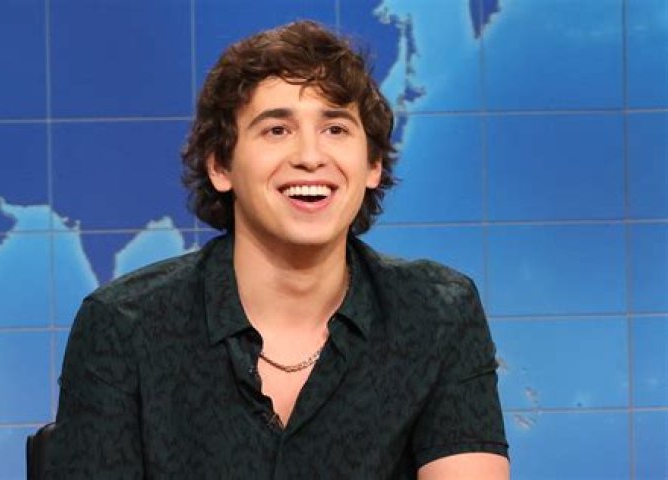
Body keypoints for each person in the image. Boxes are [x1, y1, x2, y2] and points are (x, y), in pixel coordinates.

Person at [47, 20, 509, 479]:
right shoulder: (123, 325)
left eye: (335, 129)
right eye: (277, 130)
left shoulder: (437, 313)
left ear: (372, 165)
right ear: (221, 166)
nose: (310, 156)